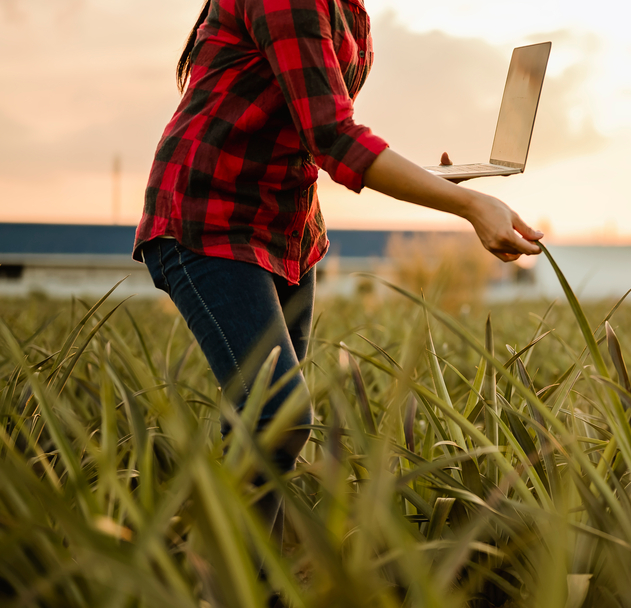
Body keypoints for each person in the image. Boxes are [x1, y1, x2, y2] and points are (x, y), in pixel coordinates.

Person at [132, 0, 543, 537]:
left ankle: (245, 581)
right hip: (208, 220)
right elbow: (331, 136)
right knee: (275, 419)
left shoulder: (351, 8)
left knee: (264, 435)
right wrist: (465, 206)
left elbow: (313, 128)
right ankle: (222, 577)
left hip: (285, 229)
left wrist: (438, 184)